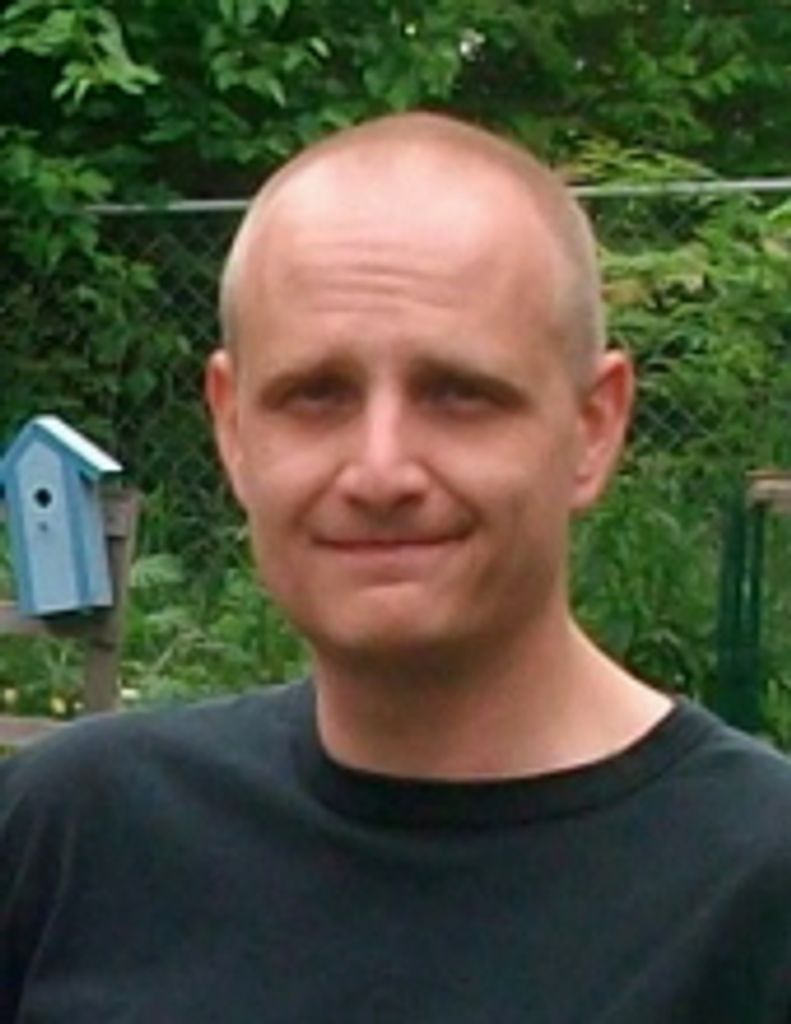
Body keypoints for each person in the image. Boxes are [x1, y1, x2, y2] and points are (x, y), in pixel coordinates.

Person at [2, 112, 791, 1023]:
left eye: (459, 394)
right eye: (315, 395)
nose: (380, 472)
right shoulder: (75, 838)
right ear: (233, 427)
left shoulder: (753, 892)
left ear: (592, 427)